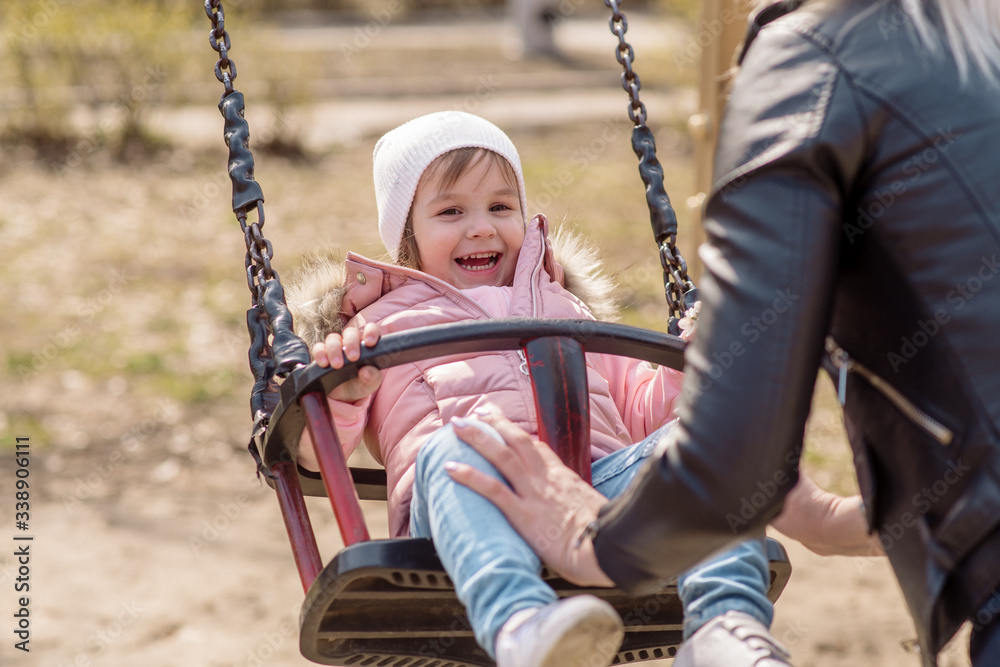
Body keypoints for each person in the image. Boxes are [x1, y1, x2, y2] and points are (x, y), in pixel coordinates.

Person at [443, 1, 1000, 665]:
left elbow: (731, 457)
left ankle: (723, 626)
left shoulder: (812, 63)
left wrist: (596, 539)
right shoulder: (965, 37)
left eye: (499, 207)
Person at [287, 111, 785, 667]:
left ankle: (724, 625)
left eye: (501, 207)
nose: (481, 226)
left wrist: (690, 371)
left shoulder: (565, 308)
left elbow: (644, 415)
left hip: (594, 495)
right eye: (451, 211)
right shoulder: (378, 327)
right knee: (462, 446)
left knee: (702, 445)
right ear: (407, 235)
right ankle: (523, 626)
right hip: (461, 515)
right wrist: (345, 393)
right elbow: (311, 452)